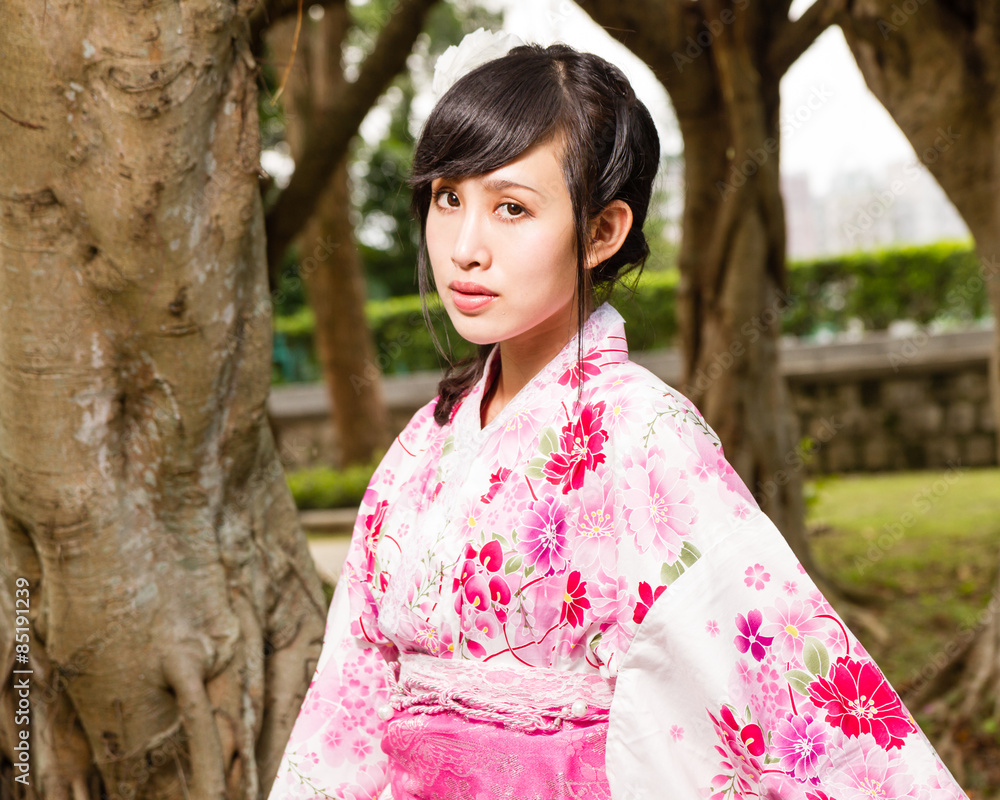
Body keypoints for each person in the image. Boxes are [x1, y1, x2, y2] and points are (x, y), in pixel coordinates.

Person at [266, 35, 970, 800]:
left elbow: (775, 677)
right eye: (447, 198)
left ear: (602, 231)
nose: (465, 247)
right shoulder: (422, 447)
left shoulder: (643, 436)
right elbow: (350, 700)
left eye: (510, 208)